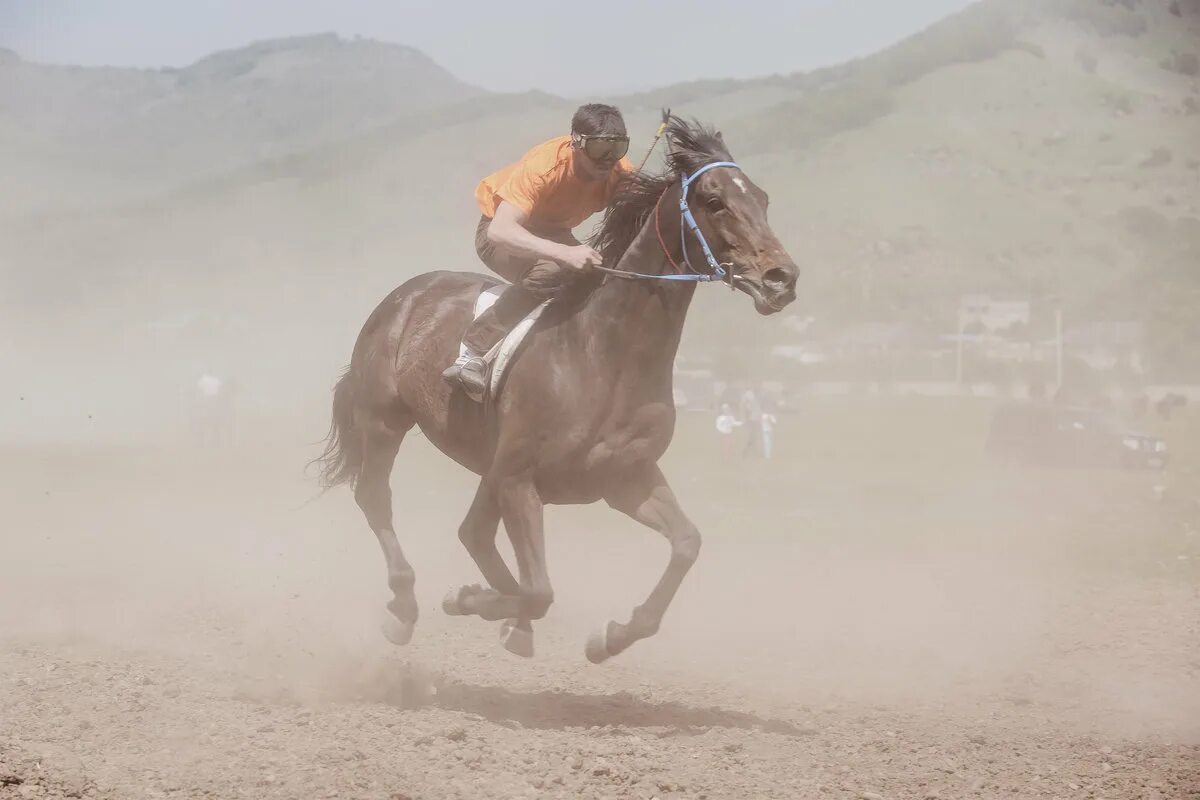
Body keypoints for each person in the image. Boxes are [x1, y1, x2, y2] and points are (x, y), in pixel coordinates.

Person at [441, 103, 635, 399]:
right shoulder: (545, 167)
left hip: (554, 232)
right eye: (598, 149)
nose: (608, 160)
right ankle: (472, 351)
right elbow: (501, 231)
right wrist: (565, 253)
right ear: (577, 142)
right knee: (552, 270)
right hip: (502, 232)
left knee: (598, 274)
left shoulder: (620, 172)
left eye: (618, 147)